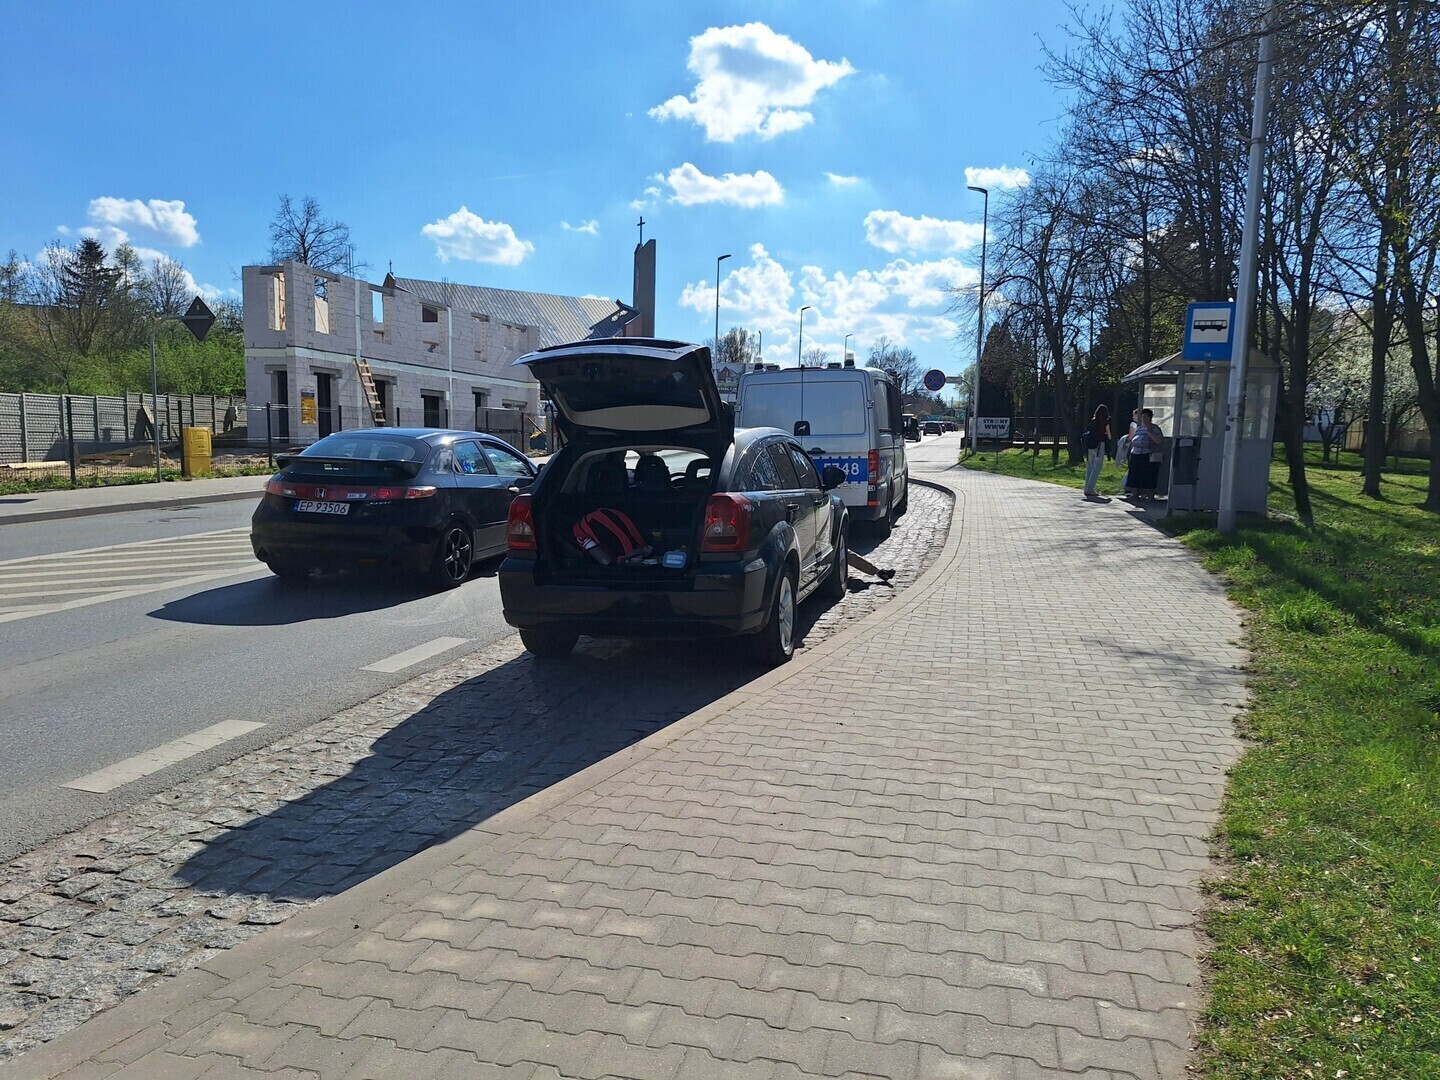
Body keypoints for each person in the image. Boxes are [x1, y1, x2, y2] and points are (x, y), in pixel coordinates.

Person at [1124, 408, 1165, 501]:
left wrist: (1149, 432)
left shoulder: (1155, 428)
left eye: (1145, 417)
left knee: (1149, 475)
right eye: (1142, 417)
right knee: (1134, 475)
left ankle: (1150, 496)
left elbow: (1159, 441)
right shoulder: (1139, 428)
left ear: (1150, 418)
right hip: (1136, 453)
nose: (1143, 419)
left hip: (1148, 455)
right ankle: (1134, 494)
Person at [1082, 404, 1111, 498]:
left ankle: (1087, 488)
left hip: (1090, 445)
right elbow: (1109, 436)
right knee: (1097, 467)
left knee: (1090, 466)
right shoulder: (1105, 422)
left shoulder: (1093, 421)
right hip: (1099, 445)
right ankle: (1090, 489)